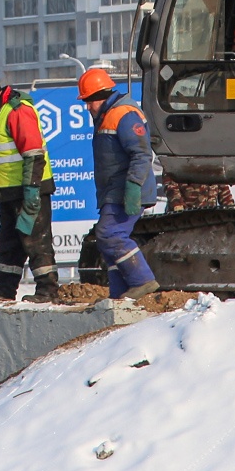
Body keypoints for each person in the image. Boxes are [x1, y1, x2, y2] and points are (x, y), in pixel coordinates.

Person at [0, 68, 60, 301]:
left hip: (29, 190)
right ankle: (3, 292)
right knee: (9, 245)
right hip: (9, 194)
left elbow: (34, 154)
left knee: (36, 242)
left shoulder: (17, 112)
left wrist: (31, 190)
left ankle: (48, 291)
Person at [79, 67, 160, 299]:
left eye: (88, 101)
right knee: (106, 242)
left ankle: (142, 280)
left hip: (126, 190)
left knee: (109, 234)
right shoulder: (108, 114)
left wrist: (133, 187)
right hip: (113, 192)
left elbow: (142, 154)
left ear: (99, 97)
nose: (87, 107)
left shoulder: (124, 114)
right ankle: (120, 293)